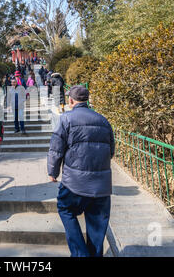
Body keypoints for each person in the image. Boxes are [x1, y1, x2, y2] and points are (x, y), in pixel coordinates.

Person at [47, 86, 115, 257]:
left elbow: (56, 149)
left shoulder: (66, 119)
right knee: (97, 224)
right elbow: (111, 151)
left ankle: (80, 253)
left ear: (70, 100)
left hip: (74, 183)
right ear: (87, 99)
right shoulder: (103, 120)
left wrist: (52, 172)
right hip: (101, 185)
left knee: (65, 209)